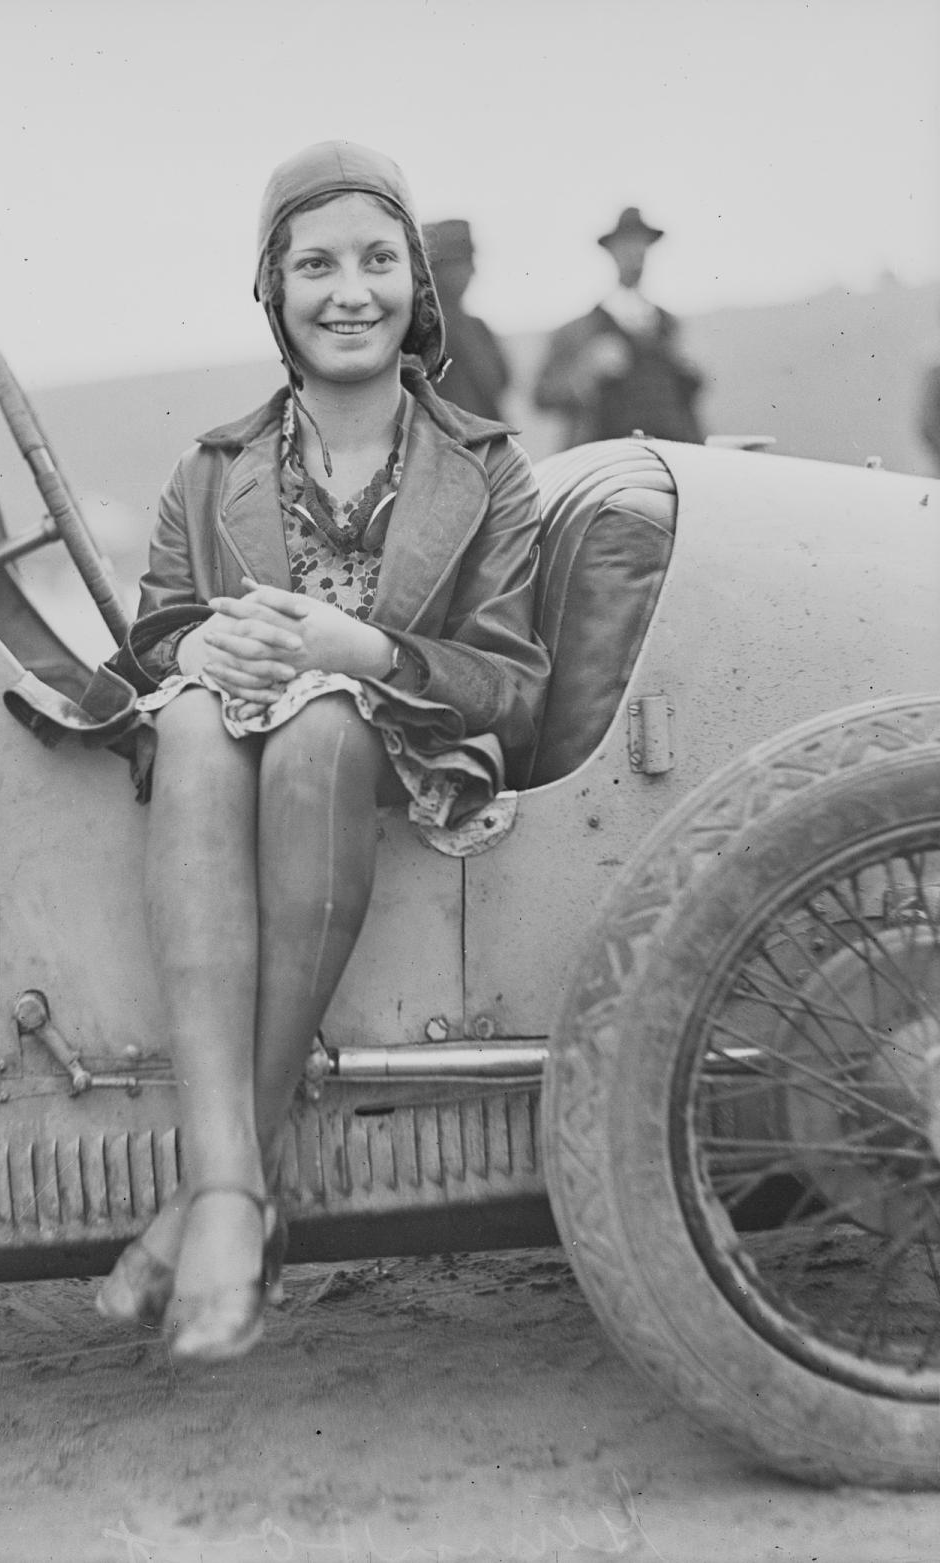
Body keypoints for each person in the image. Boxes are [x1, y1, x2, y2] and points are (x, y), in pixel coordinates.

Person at [92, 140, 549, 1362]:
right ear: (273, 290)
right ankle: (234, 1190)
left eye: (378, 261)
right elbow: (153, 639)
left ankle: (213, 1196)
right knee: (192, 720)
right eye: (315, 267)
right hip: (231, 749)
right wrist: (199, 650)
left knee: (322, 725)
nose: (351, 293)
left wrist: (367, 649)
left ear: (417, 284)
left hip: (400, 751)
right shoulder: (210, 471)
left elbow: (514, 689)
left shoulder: (489, 469)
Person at [532, 206, 705, 446]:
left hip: (669, 454)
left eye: (641, 245)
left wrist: (688, 369)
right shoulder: (581, 329)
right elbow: (542, 395)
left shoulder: (667, 326)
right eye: (627, 245)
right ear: (612, 251)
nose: (635, 254)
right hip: (608, 458)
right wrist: (587, 369)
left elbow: (690, 396)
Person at [423, 218, 512, 422]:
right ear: (434, 271)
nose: (471, 272)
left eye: (469, 262)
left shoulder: (477, 327)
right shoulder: (421, 329)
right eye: (459, 263)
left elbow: (501, 383)